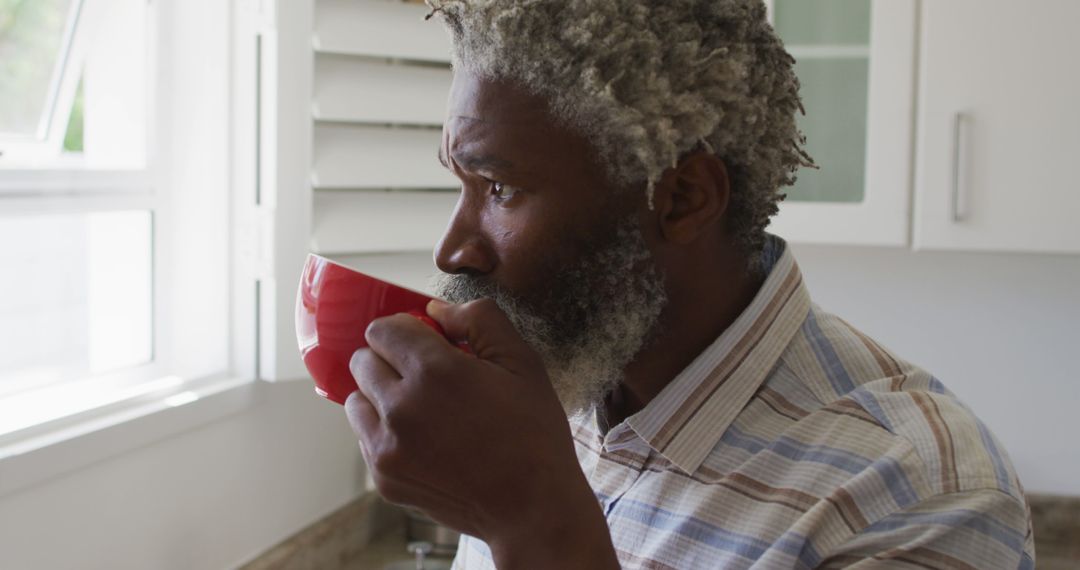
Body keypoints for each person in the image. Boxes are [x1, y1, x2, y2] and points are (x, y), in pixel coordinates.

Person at [344, 1, 1035, 568]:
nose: (453, 248)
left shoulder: (923, 498)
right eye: (460, 181)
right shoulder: (550, 389)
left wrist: (535, 522)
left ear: (681, 200)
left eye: (500, 187)